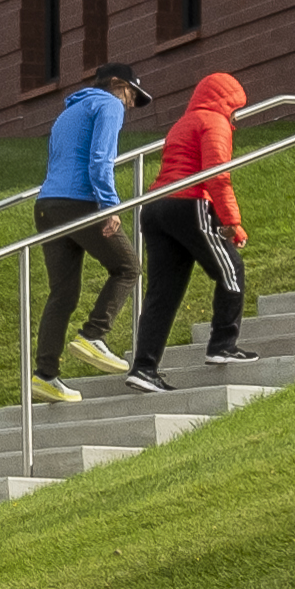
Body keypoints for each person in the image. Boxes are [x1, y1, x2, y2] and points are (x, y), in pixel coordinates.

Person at [118, 67, 254, 384]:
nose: (238, 116)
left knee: (162, 294)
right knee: (231, 271)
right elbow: (217, 174)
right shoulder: (215, 123)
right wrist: (232, 222)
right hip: (189, 204)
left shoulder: (183, 123)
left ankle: (144, 368)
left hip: (157, 207)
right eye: (238, 108)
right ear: (228, 102)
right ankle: (223, 345)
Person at [28, 64, 141, 399]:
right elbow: (100, 159)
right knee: (128, 267)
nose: (131, 104)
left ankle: (45, 375)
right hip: (79, 202)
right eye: (132, 95)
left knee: (62, 294)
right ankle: (93, 336)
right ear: (118, 85)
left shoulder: (70, 112)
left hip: (48, 206)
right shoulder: (108, 105)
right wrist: (110, 206)